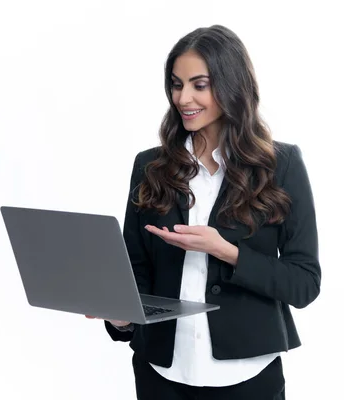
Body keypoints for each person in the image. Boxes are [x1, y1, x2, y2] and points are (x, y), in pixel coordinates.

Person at [86, 24, 321, 400]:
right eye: (177, 84)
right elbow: (138, 272)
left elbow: (304, 283)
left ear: (232, 86)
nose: (183, 98)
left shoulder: (281, 165)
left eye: (199, 84)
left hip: (247, 377)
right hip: (161, 374)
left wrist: (224, 250)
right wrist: (120, 316)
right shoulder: (150, 166)